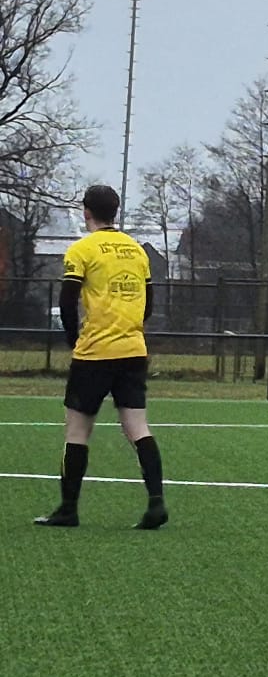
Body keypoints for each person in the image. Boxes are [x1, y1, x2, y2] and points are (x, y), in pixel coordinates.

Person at [35, 185, 168, 529]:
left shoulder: (82, 249)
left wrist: (73, 340)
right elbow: (148, 303)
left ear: (86, 212)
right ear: (116, 211)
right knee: (137, 427)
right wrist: (130, 329)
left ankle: (68, 509)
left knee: (77, 430)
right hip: (133, 349)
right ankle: (156, 503)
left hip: (94, 352)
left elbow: (67, 302)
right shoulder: (137, 250)